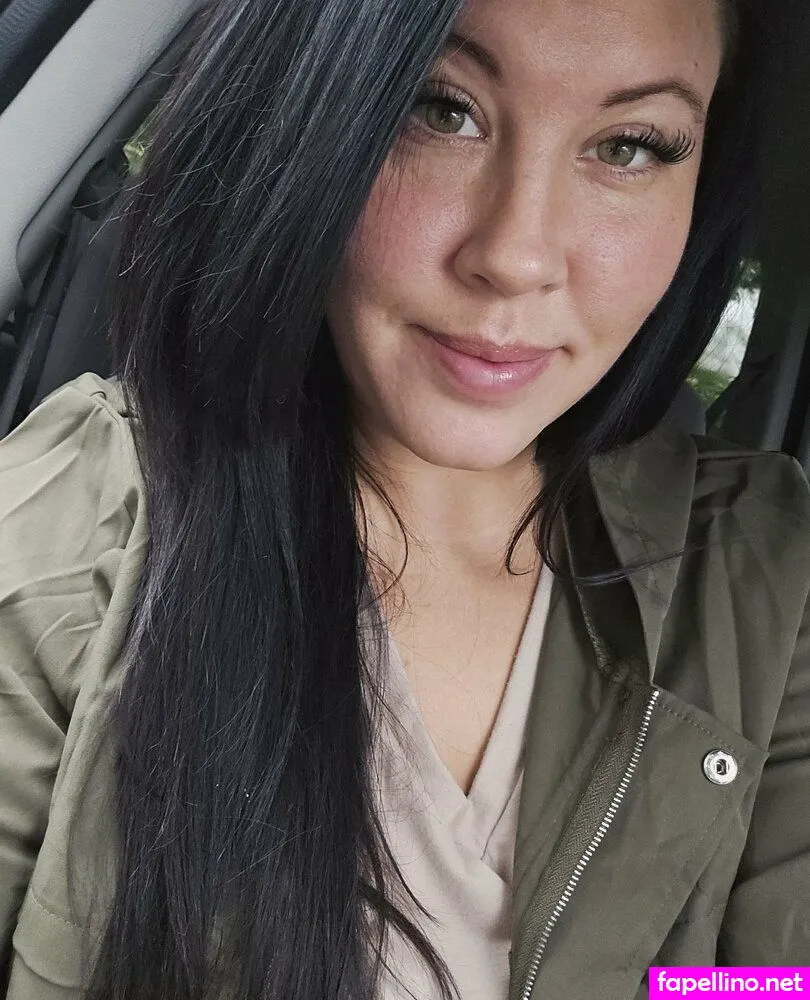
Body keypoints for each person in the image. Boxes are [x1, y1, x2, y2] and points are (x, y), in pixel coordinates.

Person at [0, 0, 808, 997]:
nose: (515, 254)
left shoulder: (761, 566)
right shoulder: (79, 514)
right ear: (314, 119)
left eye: (629, 147)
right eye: (441, 109)